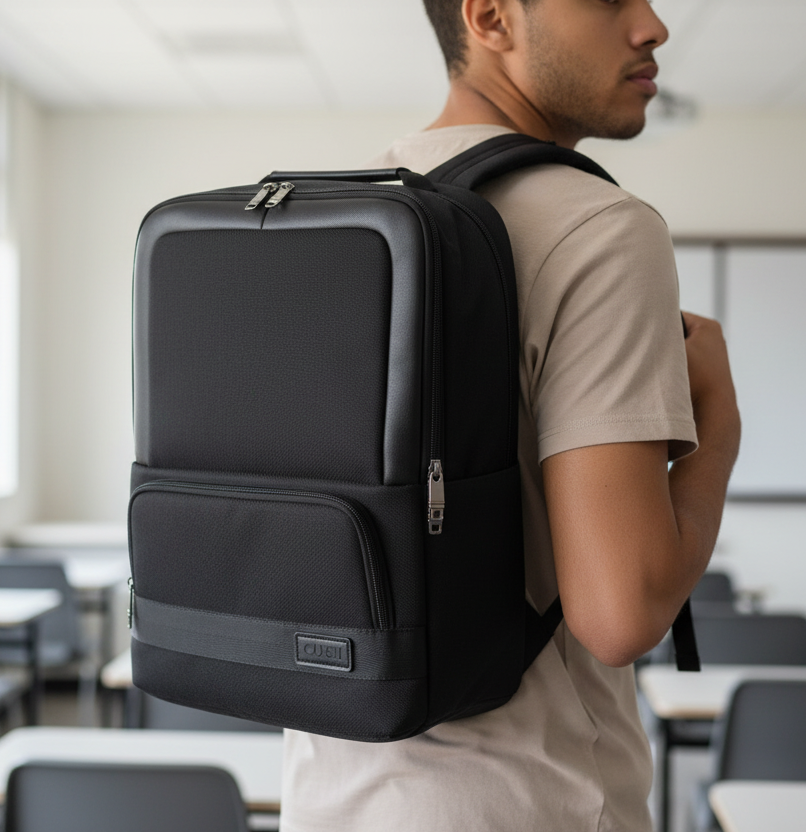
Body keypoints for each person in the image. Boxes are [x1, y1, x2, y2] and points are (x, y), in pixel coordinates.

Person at [280, 0, 741, 829]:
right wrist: (719, 434)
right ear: (491, 17)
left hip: (330, 795)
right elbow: (619, 614)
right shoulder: (601, 228)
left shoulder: (338, 213)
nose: (653, 26)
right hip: (529, 803)